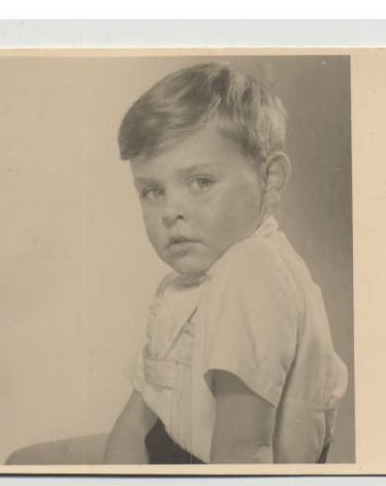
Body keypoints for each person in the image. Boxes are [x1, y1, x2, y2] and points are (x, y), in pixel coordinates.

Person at [104, 62, 348, 465]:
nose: (171, 212)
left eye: (200, 182)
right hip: (179, 453)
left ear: (270, 182)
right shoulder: (186, 284)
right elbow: (135, 423)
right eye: (152, 190)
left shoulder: (252, 269)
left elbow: (244, 451)